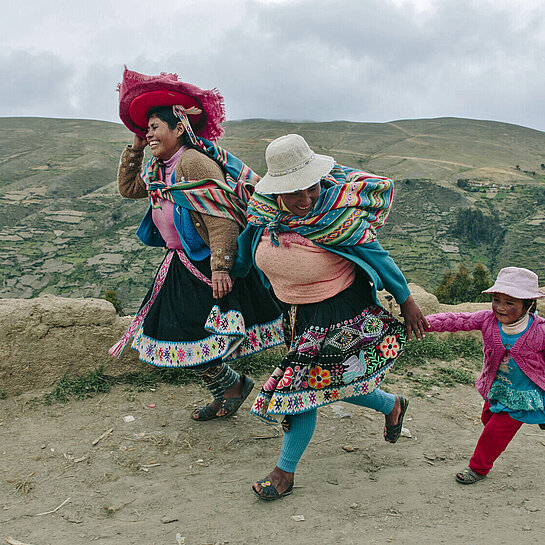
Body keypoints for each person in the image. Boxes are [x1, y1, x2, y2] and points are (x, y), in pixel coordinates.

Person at [231, 134, 428, 500]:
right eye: (295, 193)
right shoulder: (263, 215)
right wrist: (225, 274)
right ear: (276, 192)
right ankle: (392, 404)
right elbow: (245, 249)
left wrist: (406, 299)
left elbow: (378, 256)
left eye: (312, 188)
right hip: (296, 313)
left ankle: (283, 473)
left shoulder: (337, 217)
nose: (306, 199)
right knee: (331, 382)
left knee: (300, 392)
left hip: (337, 312)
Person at [110, 68, 283, 420]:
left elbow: (221, 217)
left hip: (206, 264)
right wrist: (136, 148)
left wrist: (221, 268)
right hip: (180, 264)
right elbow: (128, 189)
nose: (149, 133)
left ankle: (233, 386)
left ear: (179, 129)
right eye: (147, 129)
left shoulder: (192, 162)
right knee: (172, 334)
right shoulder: (160, 167)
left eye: (155, 128)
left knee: (185, 334)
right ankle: (229, 387)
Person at [425, 266, 545, 484]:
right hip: (496, 386)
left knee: (495, 432)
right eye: (497, 300)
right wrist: (424, 323)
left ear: (529, 304)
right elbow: (456, 320)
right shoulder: (487, 320)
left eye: (510, 303)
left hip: (522, 394)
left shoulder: (540, 331)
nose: (500, 308)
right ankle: (540, 415)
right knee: (487, 419)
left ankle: (478, 468)